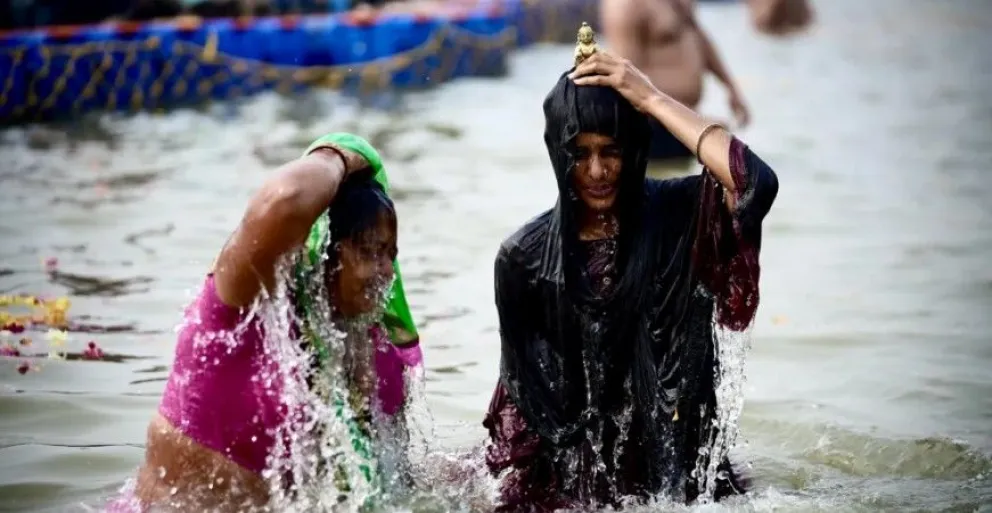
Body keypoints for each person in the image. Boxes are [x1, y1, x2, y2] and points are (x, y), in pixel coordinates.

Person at [482, 45, 778, 510]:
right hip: (578, 490)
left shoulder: (679, 216)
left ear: (635, 148)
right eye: (579, 154)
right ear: (557, 155)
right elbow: (525, 406)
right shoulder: (525, 259)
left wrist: (651, 98)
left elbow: (753, 182)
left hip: (685, 483)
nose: (596, 172)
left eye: (611, 151)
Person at [121, 133, 423, 512]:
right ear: (323, 251)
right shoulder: (241, 314)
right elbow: (285, 200)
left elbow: (399, 485)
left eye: (389, 254)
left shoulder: (376, 355)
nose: (384, 270)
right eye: (369, 250)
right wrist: (346, 154)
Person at [600, 0, 751, 170]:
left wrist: (730, 87)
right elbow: (627, 82)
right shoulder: (626, 6)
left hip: (680, 125)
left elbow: (696, 34)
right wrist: (696, 122)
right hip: (654, 132)